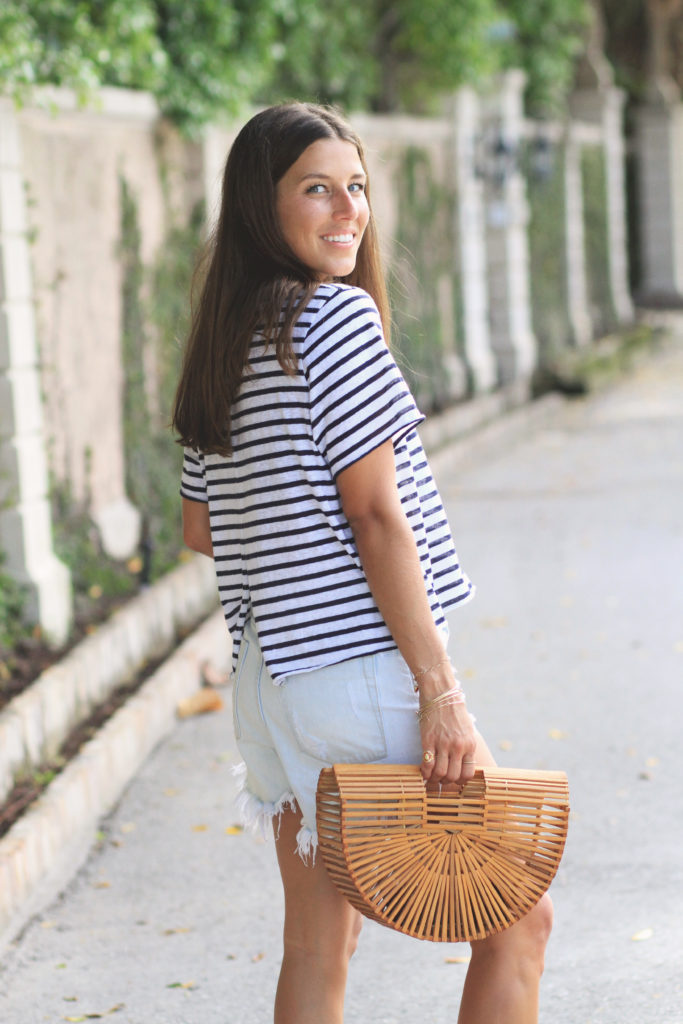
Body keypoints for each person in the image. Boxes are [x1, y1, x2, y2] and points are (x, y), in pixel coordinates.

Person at [172, 102, 553, 1024]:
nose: (348, 211)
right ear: (262, 206)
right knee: (518, 916)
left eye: (356, 188)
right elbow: (377, 516)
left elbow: (202, 528)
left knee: (318, 942)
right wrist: (441, 691)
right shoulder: (335, 319)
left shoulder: (224, 341)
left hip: (274, 681)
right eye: (317, 189)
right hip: (358, 673)